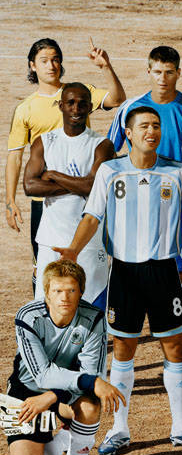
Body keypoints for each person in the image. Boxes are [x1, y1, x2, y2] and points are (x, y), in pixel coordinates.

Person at [55, 104, 182, 455]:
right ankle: (120, 428)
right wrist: (74, 250)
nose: (151, 131)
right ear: (129, 133)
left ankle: (180, 426)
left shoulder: (176, 171)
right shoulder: (110, 171)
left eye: (156, 125)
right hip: (124, 273)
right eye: (144, 126)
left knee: (175, 348)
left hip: (164, 272)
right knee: (123, 350)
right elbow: (92, 216)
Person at [107, 44, 182, 330]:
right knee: (131, 264)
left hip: (178, 204)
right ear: (148, 71)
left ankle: (181, 340)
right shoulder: (130, 108)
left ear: (179, 73)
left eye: (169, 72)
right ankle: (131, 328)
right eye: (158, 72)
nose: (163, 78)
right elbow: (110, 152)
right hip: (135, 202)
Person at [6, 261, 121, 455]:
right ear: (47, 293)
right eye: (57, 290)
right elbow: (42, 375)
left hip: (67, 394)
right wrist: (91, 382)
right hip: (26, 391)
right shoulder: (28, 316)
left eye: (71, 290)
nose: (64, 298)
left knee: (90, 406)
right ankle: (66, 438)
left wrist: (52, 397)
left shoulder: (94, 318)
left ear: (81, 292)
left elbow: (91, 372)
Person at [7, 38, 124, 263]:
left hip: (82, 199)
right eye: (44, 61)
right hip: (46, 200)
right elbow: (15, 157)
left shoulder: (77, 94)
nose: (51, 66)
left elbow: (117, 99)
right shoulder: (25, 108)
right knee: (43, 263)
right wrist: (10, 201)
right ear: (32, 65)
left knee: (86, 258)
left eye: (55, 60)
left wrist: (105, 67)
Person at [23, 83, 114, 310]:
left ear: (90, 107)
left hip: (89, 241)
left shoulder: (102, 145)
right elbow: (30, 186)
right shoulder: (44, 141)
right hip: (50, 240)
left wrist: (53, 175)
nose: (76, 109)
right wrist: (79, 185)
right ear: (61, 105)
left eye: (83, 104)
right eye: (71, 103)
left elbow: (94, 186)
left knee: (91, 307)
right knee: (48, 306)